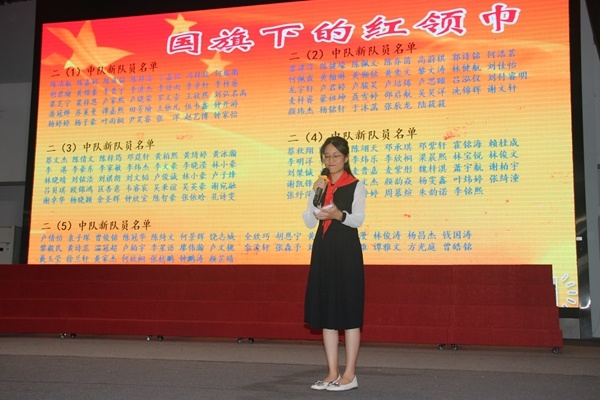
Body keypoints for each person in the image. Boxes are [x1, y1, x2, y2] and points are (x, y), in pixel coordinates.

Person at [302, 136, 366, 392]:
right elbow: (310, 222)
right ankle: (332, 372)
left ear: (346, 158)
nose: (331, 160)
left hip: (347, 252)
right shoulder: (320, 185)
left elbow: (358, 219)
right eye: (327, 156)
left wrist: (338, 214)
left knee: (349, 313)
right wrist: (313, 194)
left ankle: (350, 375)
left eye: (336, 156)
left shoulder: (356, 186)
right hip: (324, 251)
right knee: (327, 312)